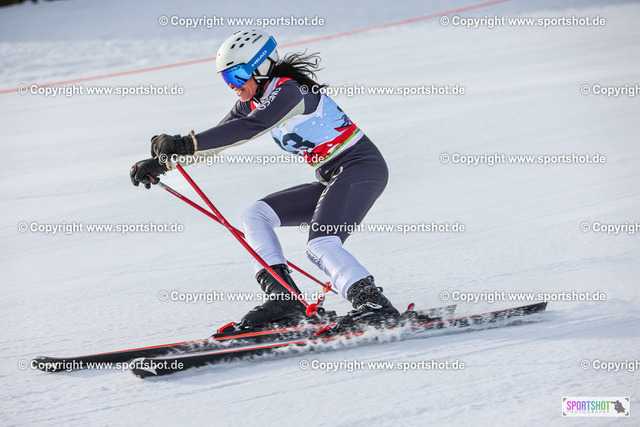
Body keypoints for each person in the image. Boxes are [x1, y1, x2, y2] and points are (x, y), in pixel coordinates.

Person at [130, 29, 399, 332]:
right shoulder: (253, 101)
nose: (233, 86)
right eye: (226, 78)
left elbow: (250, 128)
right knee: (255, 215)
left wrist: (182, 143)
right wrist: (163, 162)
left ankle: (372, 303)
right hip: (332, 177)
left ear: (261, 66)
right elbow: (219, 140)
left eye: (237, 75)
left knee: (321, 243)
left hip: (360, 168)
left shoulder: (290, 91)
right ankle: (284, 298)